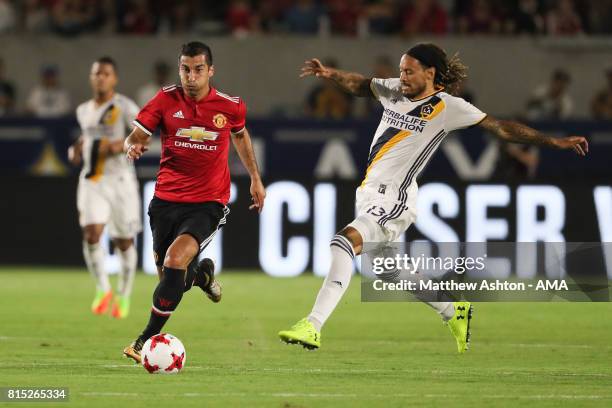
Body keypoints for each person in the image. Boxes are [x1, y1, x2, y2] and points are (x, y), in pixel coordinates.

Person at [279, 43, 588, 353]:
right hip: (370, 193)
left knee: (343, 242)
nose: (402, 77)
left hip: (394, 198)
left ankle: (313, 324)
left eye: (409, 71)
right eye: (401, 70)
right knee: (387, 269)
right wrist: (331, 74)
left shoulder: (447, 107)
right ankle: (453, 311)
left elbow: (502, 128)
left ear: (430, 73)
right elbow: (361, 85)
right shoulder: (394, 90)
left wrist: (553, 142)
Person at [122, 41, 265, 363]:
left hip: (207, 203)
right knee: (175, 281)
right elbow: (136, 136)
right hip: (165, 202)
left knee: (174, 261)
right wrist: (131, 147)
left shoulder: (230, 106)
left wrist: (255, 178)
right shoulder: (164, 99)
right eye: (185, 69)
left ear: (210, 71)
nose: (191, 76)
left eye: (198, 69)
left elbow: (240, 136)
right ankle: (202, 276)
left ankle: (144, 340)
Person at [67, 57, 141, 319]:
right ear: (91, 77)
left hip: (121, 181)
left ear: (114, 78)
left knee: (124, 242)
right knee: (92, 234)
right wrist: (76, 149)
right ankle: (102, 288)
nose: (101, 77)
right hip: (93, 180)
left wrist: (118, 144)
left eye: (106, 73)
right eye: (96, 73)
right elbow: (87, 137)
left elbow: (143, 134)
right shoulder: (83, 110)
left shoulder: (124, 106)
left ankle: (124, 293)